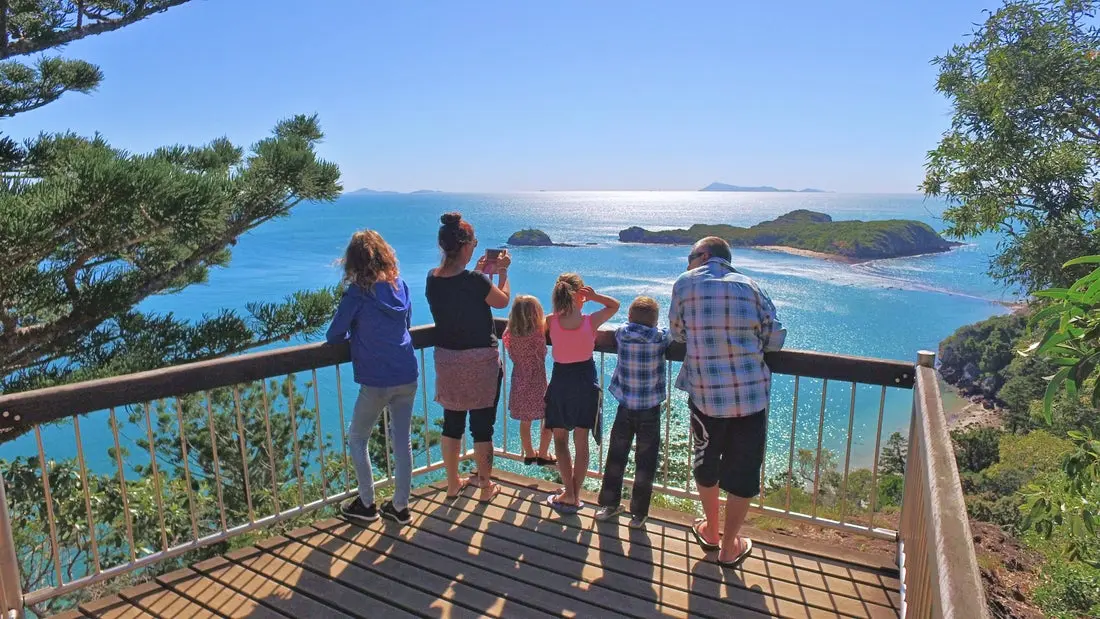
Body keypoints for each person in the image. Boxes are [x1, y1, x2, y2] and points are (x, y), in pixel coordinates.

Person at [670, 236, 786, 567]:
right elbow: (775, 338)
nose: (687, 263)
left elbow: (677, 333)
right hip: (751, 396)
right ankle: (729, 546)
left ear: (703, 255)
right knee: (744, 470)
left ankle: (710, 531)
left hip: (706, 396)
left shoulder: (685, 284)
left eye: (689, 256)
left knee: (706, 461)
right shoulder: (751, 286)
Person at [327, 230, 419, 525]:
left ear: (353, 262)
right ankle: (400, 507)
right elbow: (406, 323)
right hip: (407, 371)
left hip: (377, 379)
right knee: (402, 443)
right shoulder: (400, 286)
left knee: (357, 438)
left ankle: (367, 504)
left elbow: (334, 335)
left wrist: (356, 333)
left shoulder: (358, 292)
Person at [425, 212, 511, 502]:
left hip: (448, 360)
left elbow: (459, 290)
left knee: (452, 422)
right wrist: (502, 274)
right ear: (464, 245)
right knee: (482, 426)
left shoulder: (432, 279)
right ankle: (485, 486)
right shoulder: (475, 280)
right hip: (480, 362)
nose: (475, 246)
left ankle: (452, 484)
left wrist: (476, 271)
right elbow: (501, 301)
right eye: (474, 242)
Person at [544, 274, 620, 514]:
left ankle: (569, 492)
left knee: (559, 440)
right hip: (585, 381)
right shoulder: (590, 321)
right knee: (581, 442)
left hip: (561, 381)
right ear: (580, 296)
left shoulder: (550, 321)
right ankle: (573, 495)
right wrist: (595, 296)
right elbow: (614, 306)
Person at [594, 296, 670, 529]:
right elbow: (670, 333)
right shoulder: (659, 338)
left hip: (625, 406)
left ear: (629, 317)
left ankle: (609, 504)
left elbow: (618, 329)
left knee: (617, 456)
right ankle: (638, 514)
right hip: (650, 409)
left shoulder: (621, 334)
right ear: (655, 321)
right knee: (645, 461)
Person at [502, 295, 556, 467]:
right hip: (537, 383)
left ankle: (529, 453)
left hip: (519, 382)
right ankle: (543, 453)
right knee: (547, 419)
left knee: (525, 422)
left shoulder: (509, 334)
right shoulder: (539, 333)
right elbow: (551, 319)